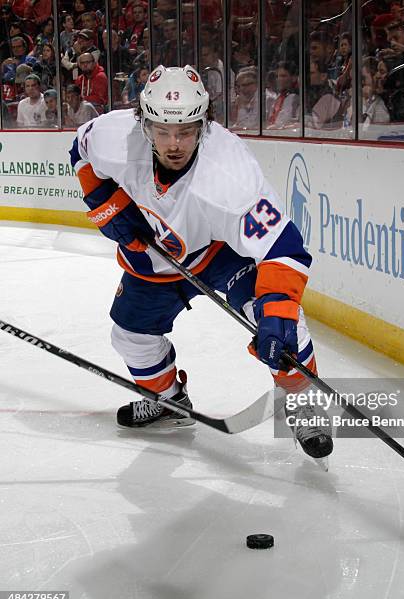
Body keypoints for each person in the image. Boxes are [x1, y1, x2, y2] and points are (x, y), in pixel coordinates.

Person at [69, 64, 333, 461]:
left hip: (221, 253)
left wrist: (276, 314)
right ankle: (167, 402)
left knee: (285, 326)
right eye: (162, 131)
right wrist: (106, 204)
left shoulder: (230, 173)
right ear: (143, 122)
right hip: (154, 257)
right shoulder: (114, 136)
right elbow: (80, 150)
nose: (174, 143)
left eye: (187, 131)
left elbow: (284, 248)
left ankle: (301, 400)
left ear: (204, 123)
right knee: (129, 337)